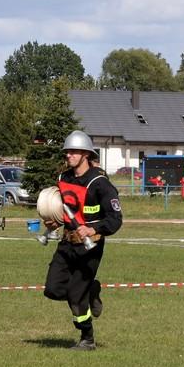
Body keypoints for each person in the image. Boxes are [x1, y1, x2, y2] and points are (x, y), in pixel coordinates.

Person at [43, 130, 122, 351]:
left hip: (91, 248)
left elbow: (115, 219)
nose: (68, 155)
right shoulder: (63, 179)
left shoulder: (100, 183)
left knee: (76, 296)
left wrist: (93, 228)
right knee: (52, 289)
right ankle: (92, 290)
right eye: (67, 152)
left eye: (74, 152)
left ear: (86, 154)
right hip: (66, 244)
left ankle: (87, 338)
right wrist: (54, 221)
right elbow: (65, 210)